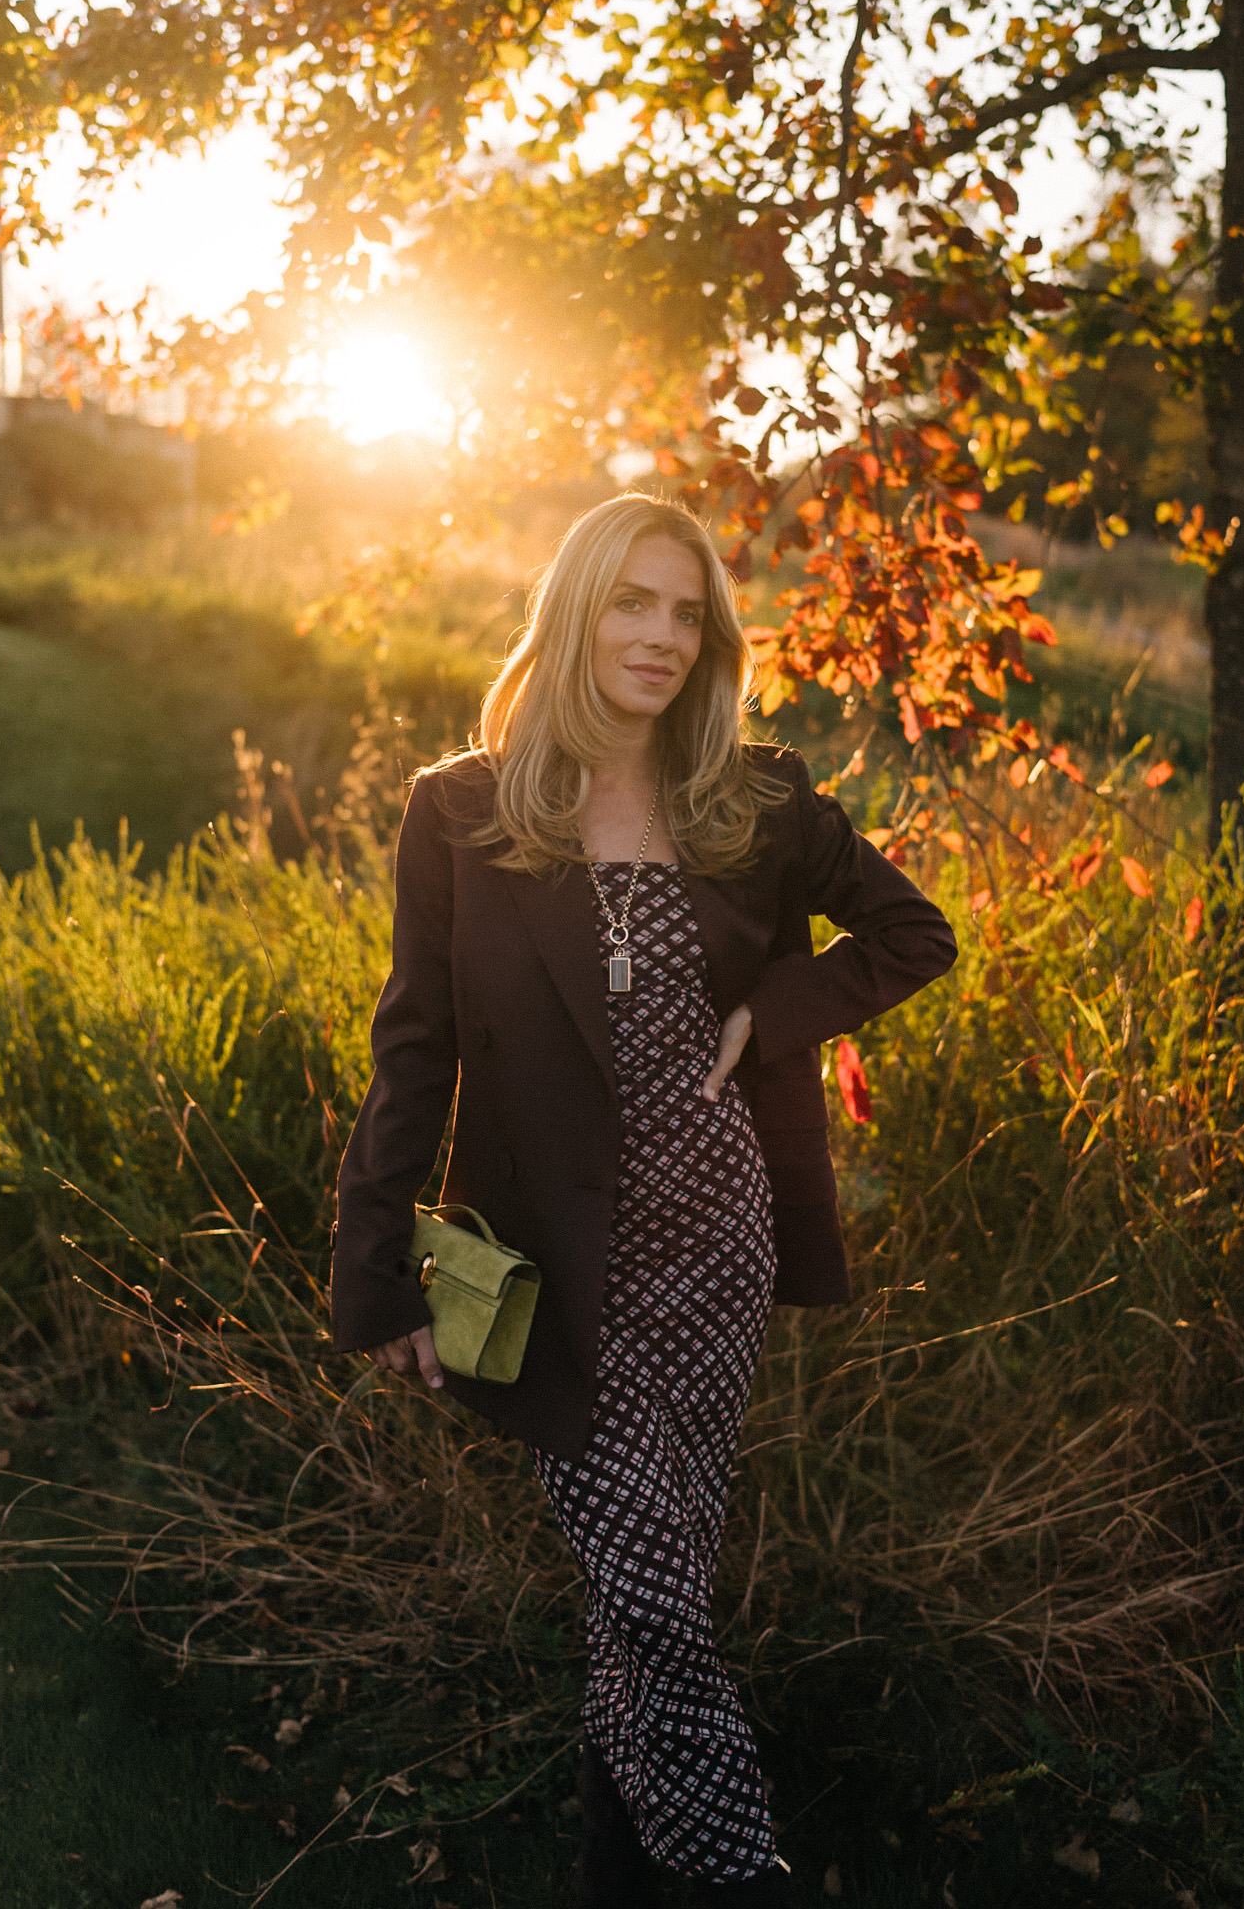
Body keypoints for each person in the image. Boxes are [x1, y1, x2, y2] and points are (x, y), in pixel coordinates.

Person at [330, 492, 957, 1904]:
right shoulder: (464, 810)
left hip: (718, 1256)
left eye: (688, 613)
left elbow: (917, 933)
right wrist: (375, 1276)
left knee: (645, 1604)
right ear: (574, 611)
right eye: (634, 602)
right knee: (661, 1606)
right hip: (554, 1280)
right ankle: (746, 1873)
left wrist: (778, 1010)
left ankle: (619, 1876)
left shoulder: (757, 799)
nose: (663, 636)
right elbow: (414, 1050)